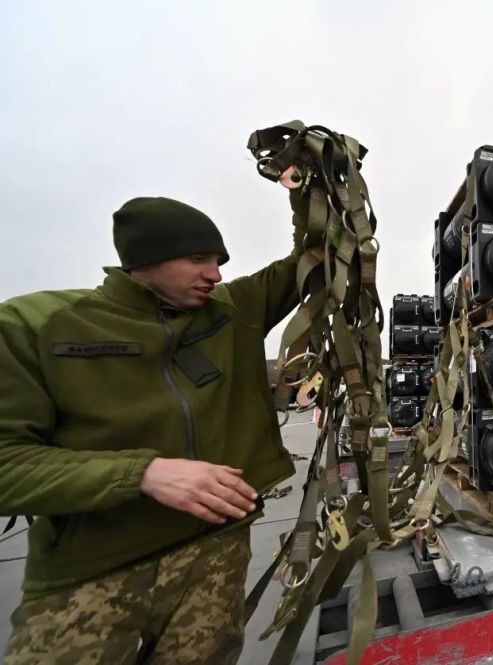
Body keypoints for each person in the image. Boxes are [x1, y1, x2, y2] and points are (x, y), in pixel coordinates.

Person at [0, 193, 305, 664]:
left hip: (216, 553)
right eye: (198, 259)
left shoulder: (234, 309)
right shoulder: (35, 326)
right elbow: (8, 463)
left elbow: (318, 257)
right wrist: (144, 473)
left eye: (219, 261)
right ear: (145, 258)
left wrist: (307, 182)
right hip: (92, 571)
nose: (216, 274)